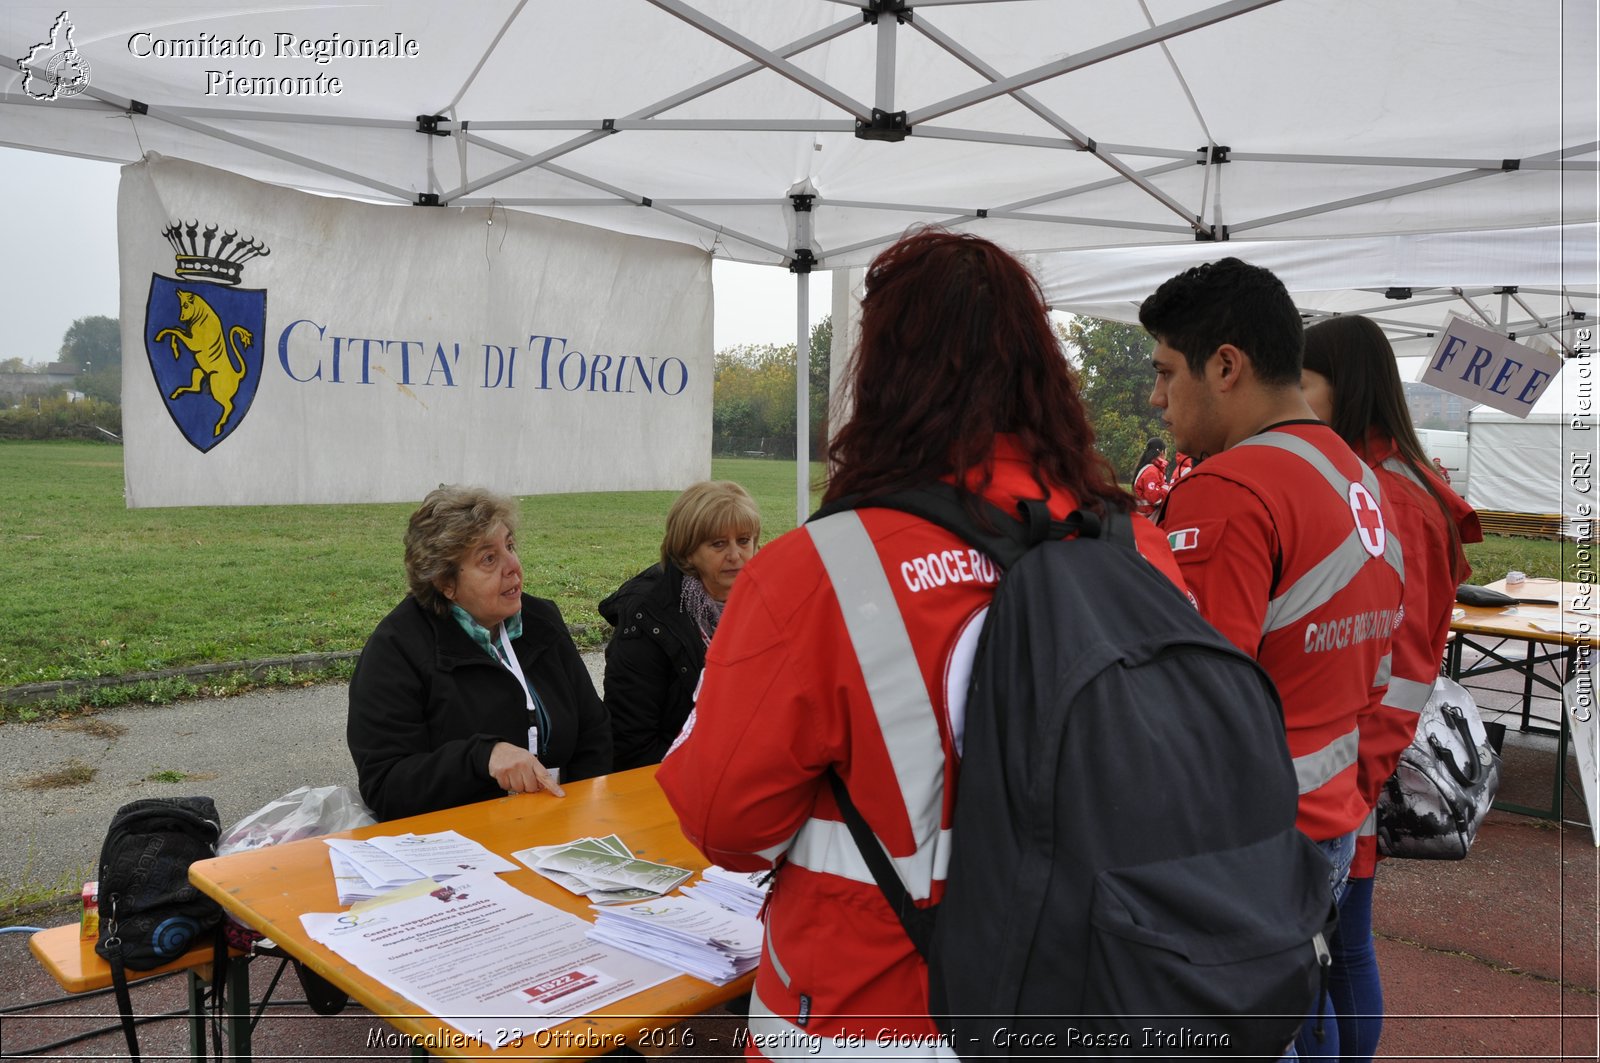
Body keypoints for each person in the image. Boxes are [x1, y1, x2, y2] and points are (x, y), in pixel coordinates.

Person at [659, 228, 1188, 1055]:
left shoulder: (819, 568)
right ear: (1039, 366)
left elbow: (725, 821)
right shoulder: (1140, 547)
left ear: (882, 372)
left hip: (869, 1012)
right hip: (1103, 994)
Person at [1140, 258, 1403, 1061]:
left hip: (1242, 842)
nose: (1157, 397)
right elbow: (1380, 670)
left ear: (1226, 365)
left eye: (1164, 372)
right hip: (1324, 820)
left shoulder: (1230, 488)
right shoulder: (1361, 479)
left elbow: (1193, 709)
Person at [1302, 316, 1482, 1063]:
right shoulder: (1386, 478)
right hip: (1355, 764)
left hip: (1353, 766)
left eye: (1304, 381)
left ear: (1344, 387)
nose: (1294, 398)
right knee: (1343, 948)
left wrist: (1353, 781)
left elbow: (1403, 668)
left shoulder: (1390, 494)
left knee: (1319, 957)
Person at [347, 485, 611, 820]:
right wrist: (481, 758)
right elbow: (386, 785)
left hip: (560, 825)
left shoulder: (542, 621)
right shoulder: (397, 649)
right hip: (459, 844)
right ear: (445, 582)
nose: (513, 566)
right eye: (489, 558)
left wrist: (577, 811)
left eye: (510, 546)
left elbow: (594, 732)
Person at [598, 480, 761, 771]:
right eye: (719, 544)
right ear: (686, 552)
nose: (736, 556)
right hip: (673, 778)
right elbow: (631, 744)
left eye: (744, 540)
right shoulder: (648, 618)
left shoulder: (766, 603)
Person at [1130, 437, 1170, 517]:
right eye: (1166, 451)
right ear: (1161, 452)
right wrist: (1168, 488)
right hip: (1148, 516)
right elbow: (1156, 499)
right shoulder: (1151, 471)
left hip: (1146, 515)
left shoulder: (1151, 469)